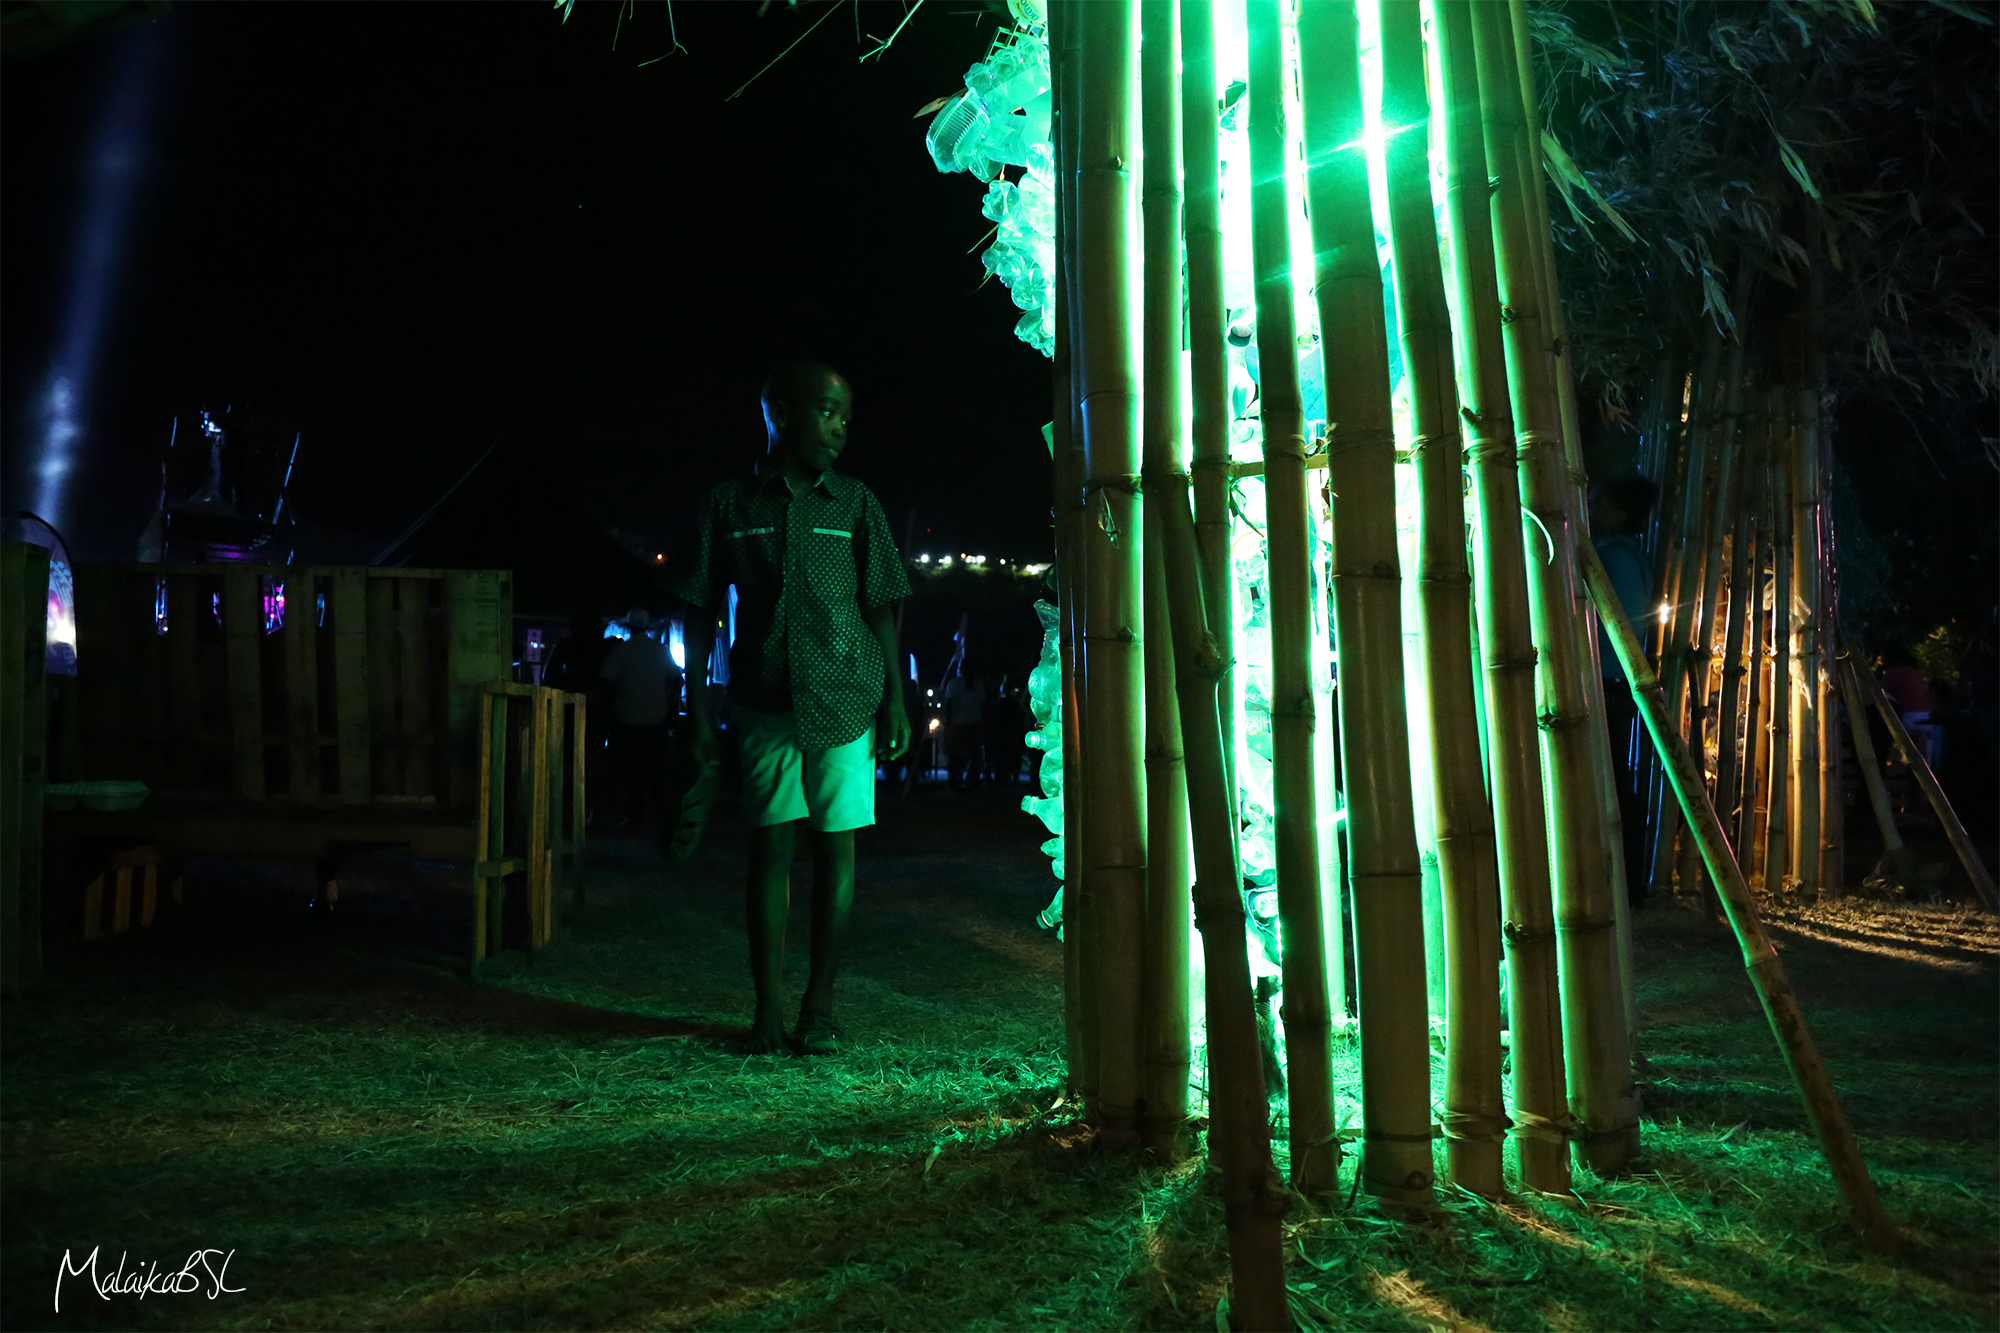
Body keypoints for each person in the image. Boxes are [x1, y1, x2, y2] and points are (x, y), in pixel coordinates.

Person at [671, 361, 912, 1056]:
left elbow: (882, 606)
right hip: (763, 702)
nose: (839, 430)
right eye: (827, 412)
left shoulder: (855, 503)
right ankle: (768, 1008)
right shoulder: (730, 506)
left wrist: (896, 698)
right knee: (770, 849)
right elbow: (699, 612)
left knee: (837, 851)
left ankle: (821, 1007)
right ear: (779, 409)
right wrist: (696, 711)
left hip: (846, 700)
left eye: (845, 417)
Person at [1589, 476, 1658, 905]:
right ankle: (1627, 884)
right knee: (1613, 778)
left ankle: (1629, 885)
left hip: (1606, 681)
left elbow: (1613, 628)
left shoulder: (1614, 557)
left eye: (1599, 498)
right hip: (1612, 681)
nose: (1590, 504)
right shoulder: (1624, 556)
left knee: (1612, 779)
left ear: (1620, 513)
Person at [599, 608, 677, 831]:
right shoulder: (660, 650)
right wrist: (668, 704)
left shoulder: (621, 651)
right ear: (648, 626)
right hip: (656, 721)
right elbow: (676, 678)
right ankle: (661, 818)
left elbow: (605, 681)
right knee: (657, 772)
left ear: (629, 626)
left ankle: (633, 816)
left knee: (628, 772)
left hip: (627, 721)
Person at [942, 659, 988, 788]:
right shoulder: (978, 685)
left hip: (960, 724)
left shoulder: (955, 684)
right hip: (972, 724)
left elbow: (949, 704)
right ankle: (968, 782)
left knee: (958, 756)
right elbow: (983, 706)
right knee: (973, 757)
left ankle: (956, 781)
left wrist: (948, 722)